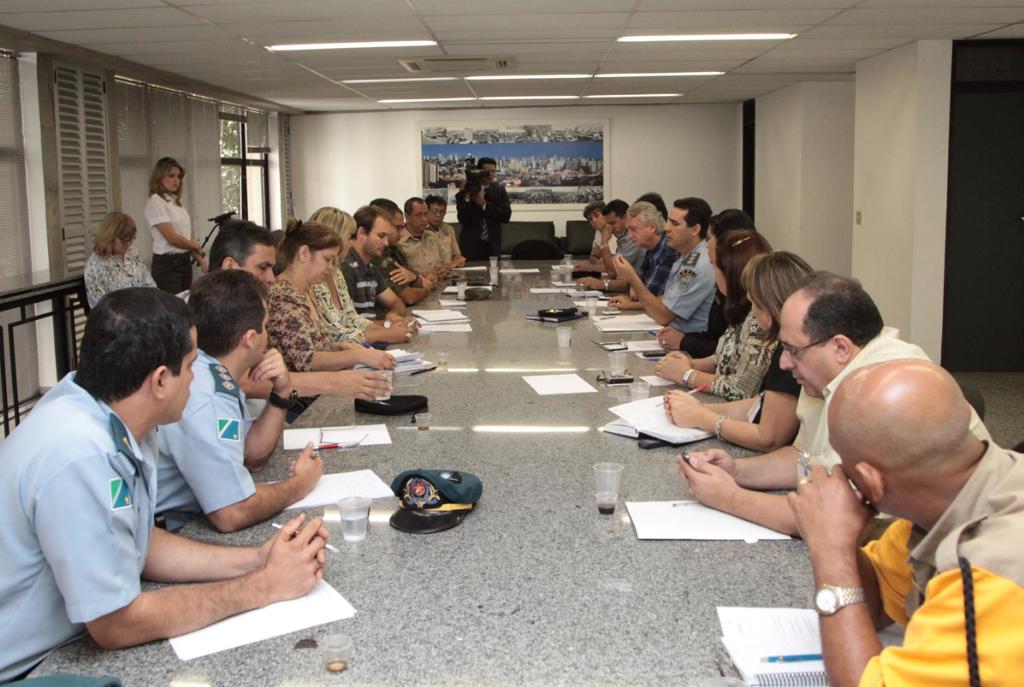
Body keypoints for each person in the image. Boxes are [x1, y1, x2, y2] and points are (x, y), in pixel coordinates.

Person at [0, 287, 329, 683]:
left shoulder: (106, 410)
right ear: (159, 380)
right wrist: (262, 586)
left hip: (62, 646)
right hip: (27, 668)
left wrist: (255, 558)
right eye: (190, 366)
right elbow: (116, 623)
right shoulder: (82, 455)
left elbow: (137, 540)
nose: (196, 378)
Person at [676, 272, 990, 535]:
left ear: (840, 346)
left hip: (946, 551)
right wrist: (736, 472)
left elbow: (828, 519)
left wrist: (729, 497)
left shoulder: (880, 393)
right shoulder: (828, 373)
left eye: (792, 350)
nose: (784, 363)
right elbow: (805, 457)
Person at [789, 360, 1024, 686]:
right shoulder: (951, 500)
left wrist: (829, 549)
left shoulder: (990, 574)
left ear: (871, 483)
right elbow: (877, 603)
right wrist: (840, 533)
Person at [157, 271, 322, 532]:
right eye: (265, 326)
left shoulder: (212, 371)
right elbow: (232, 512)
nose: (268, 334)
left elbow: (251, 455)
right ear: (250, 338)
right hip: (172, 528)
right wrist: (301, 484)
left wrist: (281, 392)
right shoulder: (205, 393)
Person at [206, 218, 395, 404]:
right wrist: (339, 377)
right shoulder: (276, 297)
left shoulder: (305, 291)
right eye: (263, 268)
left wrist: (335, 348)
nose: (271, 278)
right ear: (229, 266)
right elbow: (247, 381)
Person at [664, 251, 810, 451]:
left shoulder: (791, 355)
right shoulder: (784, 346)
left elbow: (768, 437)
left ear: (771, 305)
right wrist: (699, 408)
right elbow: (761, 404)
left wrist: (702, 417)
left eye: (755, 304)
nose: (752, 312)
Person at [654, 230, 774, 401]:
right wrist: (691, 364)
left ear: (731, 273)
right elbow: (724, 355)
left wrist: (687, 374)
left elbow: (741, 389)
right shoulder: (740, 307)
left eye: (713, 266)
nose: (713, 273)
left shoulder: (760, 318)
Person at [267, 219, 395, 374]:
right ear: (304, 253)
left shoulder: (309, 290)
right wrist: (358, 355)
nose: (330, 267)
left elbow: (315, 344)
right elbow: (306, 360)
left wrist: (337, 348)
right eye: (327, 259)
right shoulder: (283, 296)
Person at [307, 206, 415, 346]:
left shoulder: (336, 272)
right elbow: (332, 335)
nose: (351, 243)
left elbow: (352, 319)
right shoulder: (317, 278)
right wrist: (385, 333)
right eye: (349, 237)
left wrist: (389, 327)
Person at [656, 208, 756, 357]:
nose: (706, 244)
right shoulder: (725, 286)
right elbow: (717, 337)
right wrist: (682, 339)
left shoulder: (751, 297)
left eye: (709, 238)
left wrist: (684, 343)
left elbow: (733, 355)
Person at [610, 199, 714, 329]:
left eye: (675, 224)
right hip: (674, 334)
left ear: (695, 230)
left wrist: (632, 277)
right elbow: (664, 300)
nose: (666, 228)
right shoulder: (684, 256)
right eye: (668, 221)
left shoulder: (698, 265)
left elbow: (663, 316)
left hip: (690, 341)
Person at [343, 205, 420, 324]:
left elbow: (397, 303)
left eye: (387, 237)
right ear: (362, 233)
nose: (386, 243)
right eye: (381, 236)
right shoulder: (346, 267)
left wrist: (393, 315)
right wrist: (388, 324)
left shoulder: (370, 268)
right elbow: (347, 323)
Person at [145, 157, 207, 293]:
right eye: (171, 176)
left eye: (178, 177)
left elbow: (184, 239)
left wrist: (200, 260)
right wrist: (195, 245)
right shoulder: (155, 202)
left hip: (184, 261)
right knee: (173, 308)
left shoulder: (177, 204)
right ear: (159, 177)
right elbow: (172, 238)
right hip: (167, 265)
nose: (176, 180)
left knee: (184, 305)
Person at [370, 197, 436, 305]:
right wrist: (426, 290)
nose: (401, 233)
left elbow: (414, 279)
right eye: (398, 227)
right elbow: (409, 297)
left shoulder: (394, 249)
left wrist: (415, 278)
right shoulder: (377, 257)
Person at [83, 211, 156, 307]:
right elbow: (100, 307)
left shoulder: (132, 254)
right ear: (109, 237)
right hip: (118, 318)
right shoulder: (95, 266)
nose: (129, 244)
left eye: (132, 239)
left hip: (142, 310)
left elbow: (150, 285)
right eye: (123, 240)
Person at [456, 156, 512, 260]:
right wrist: (466, 197)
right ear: (478, 171)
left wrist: (484, 205)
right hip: (469, 246)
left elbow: (506, 216)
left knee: (494, 275)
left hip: (492, 245)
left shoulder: (499, 191)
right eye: (486, 171)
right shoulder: (467, 190)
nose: (490, 174)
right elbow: (463, 219)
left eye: (493, 171)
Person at [398, 197, 446, 277]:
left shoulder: (432, 236)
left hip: (440, 284)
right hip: (416, 287)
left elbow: (445, 263)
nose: (424, 219)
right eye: (419, 215)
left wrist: (444, 269)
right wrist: (421, 276)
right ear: (407, 217)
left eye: (426, 214)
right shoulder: (399, 241)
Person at [425, 194, 465, 270]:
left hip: (448, 272)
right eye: (434, 211)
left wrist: (448, 266)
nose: (438, 215)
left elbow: (458, 257)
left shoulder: (448, 229)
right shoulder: (421, 230)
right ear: (426, 211)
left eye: (442, 212)